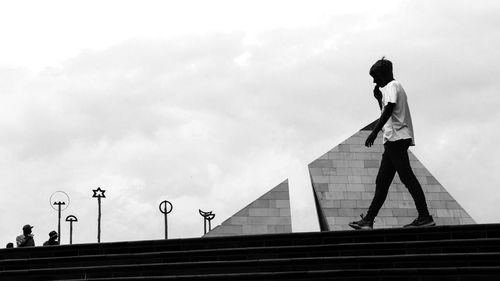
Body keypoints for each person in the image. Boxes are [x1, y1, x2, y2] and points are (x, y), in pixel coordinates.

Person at [349, 57, 435, 230]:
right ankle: (369, 219)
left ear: (384, 74)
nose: (374, 81)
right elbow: (388, 112)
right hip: (392, 139)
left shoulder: (392, 86)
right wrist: (378, 99)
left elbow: (388, 110)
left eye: (376, 77)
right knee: (382, 181)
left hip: (396, 138)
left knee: (407, 177)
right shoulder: (390, 89)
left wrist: (374, 131)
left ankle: (425, 216)